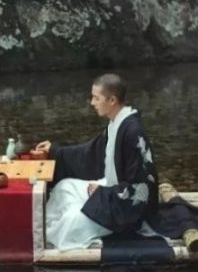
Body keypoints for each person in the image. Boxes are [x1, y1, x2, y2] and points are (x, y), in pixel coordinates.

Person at [35, 73, 159, 250]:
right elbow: (91, 152)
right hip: (111, 190)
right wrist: (55, 151)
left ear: (112, 100)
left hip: (124, 207)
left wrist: (104, 193)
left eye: (96, 98)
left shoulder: (133, 133)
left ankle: (45, 240)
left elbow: (139, 186)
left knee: (71, 220)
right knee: (65, 187)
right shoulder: (116, 123)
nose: (92, 103)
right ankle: (41, 227)